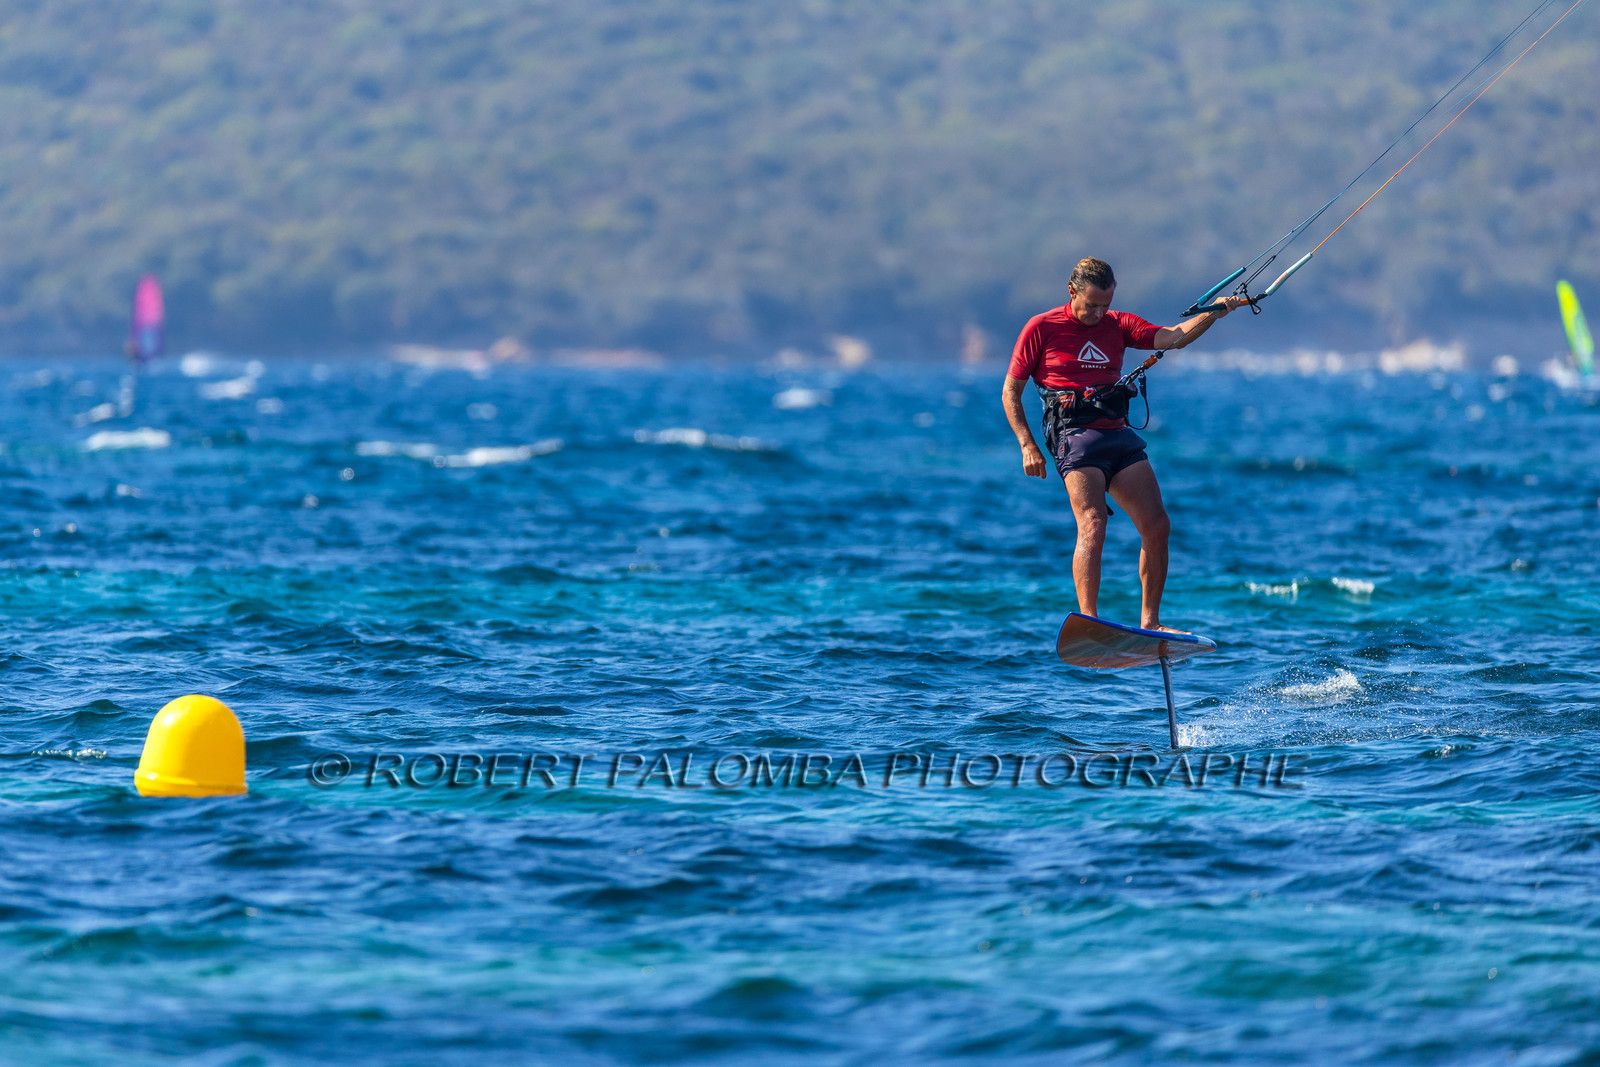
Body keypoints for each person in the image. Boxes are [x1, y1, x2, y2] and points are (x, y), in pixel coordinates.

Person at [1001, 257, 1247, 632]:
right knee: (1093, 524)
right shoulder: (1042, 327)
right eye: (1092, 305)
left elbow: (1173, 337)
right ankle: (1090, 621)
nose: (1100, 313)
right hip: (1074, 437)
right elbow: (1010, 392)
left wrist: (1214, 313)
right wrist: (1027, 446)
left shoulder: (1118, 324)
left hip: (1116, 434)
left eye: (1106, 305)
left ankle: (1151, 622)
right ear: (1072, 293)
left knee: (1157, 525)